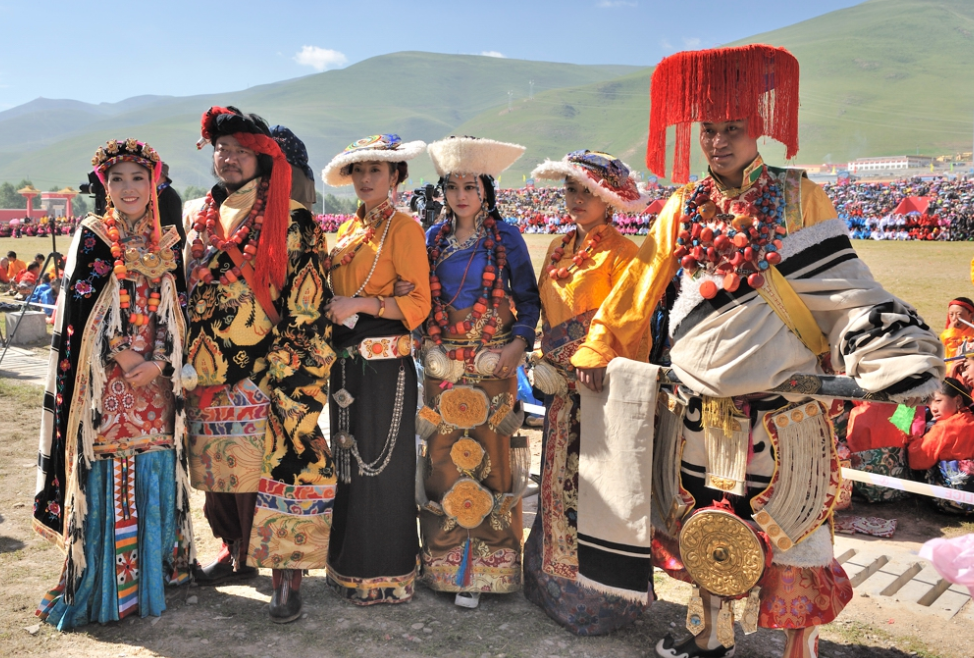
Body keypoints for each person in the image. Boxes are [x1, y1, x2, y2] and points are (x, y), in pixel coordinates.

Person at [571, 45, 944, 658]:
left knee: (795, 534)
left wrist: (891, 350)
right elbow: (639, 287)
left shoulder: (801, 200)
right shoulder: (683, 206)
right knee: (702, 524)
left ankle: (800, 646)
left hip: (782, 412)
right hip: (696, 411)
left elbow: (846, 289)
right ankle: (711, 632)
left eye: (732, 130)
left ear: (758, 130)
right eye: (709, 130)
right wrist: (601, 345)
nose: (718, 142)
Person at [33, 138, 192, 629]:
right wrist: (126, 358)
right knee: (107, 472)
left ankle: (151, 581)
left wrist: (161, 362)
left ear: (154, 184)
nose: (128, 188)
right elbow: (83, 310)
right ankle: (103, 589)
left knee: (154, 463)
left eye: (138, 178)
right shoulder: (94, 234)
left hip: (156, 386)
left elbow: (176, 307)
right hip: (108, 383)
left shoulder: (168, 241)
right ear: (104, 186)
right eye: (117, 179)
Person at [184, 107, 335, 623]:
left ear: (263, 158)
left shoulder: (294, 220)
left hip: (267, 371)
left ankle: (284, 573)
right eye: (221, 150)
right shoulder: (201, 217)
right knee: (218, 475)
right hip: (207, 372)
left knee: (276, 469)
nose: (228, 158)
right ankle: (234, 551)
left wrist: (288, 374)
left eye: (240, 150)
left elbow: (308, 303)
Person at [523, 150, 651, 633]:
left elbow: (631, 328)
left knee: (597, 491)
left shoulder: (624, 254)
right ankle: (548, 586)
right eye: (572, 190)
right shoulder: (557, 248)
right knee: (555, 482)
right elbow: (542, 310)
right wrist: (542, 357)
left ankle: (599, 598)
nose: (577, 200)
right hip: (560, 391)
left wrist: (582, 362)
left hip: (599, 392)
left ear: (609, 199)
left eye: (588, 192)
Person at [416, 136, 540, 609]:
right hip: (443, 368)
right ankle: (446, 566)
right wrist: (429, 345)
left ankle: (492, 569)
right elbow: (425, 305)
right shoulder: (431, 241)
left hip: (494, 368)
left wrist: (518, 344)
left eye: (470, 186)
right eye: (452, 186)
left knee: (494, 462)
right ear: (443, 192)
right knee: (443, 463)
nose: (461, 195)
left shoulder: (506, 238)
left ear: (485, 190)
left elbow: (527, 301)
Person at [320, 134, 431, 605]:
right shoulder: (347, 232)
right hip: (345, 366)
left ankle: (386, 571)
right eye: (358, 171)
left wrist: (361, 302)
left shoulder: (404, 229)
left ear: (395, 177)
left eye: (376, 171)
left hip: (385, 368)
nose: (365, 179)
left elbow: (419, 303)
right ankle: (348, 566)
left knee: (382, 466)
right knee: (347, 460)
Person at [907, 378, 974, 515]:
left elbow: (917, 460)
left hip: (955, 498)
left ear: (958, 400)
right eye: (929, 401)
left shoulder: (943, 427)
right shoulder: (970, 420)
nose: (933, 407)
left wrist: (913, 441)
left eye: (938, 400)